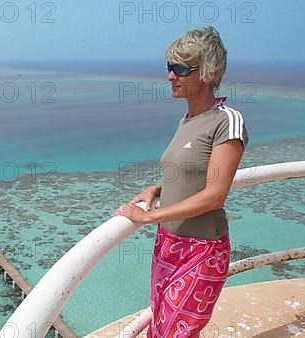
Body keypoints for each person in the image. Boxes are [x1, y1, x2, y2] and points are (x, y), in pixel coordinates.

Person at [114, 26, 249, 337]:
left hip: (202, 250)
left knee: (177, 333)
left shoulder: (226, 121)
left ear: (208, 72)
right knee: (160, 328)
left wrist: (149, 217)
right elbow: (191, 173)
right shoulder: (187, 121)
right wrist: (157, 189)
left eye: (180, 69)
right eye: (169, 67)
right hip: (168, 244)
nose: (170, 77)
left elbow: (214, 196)